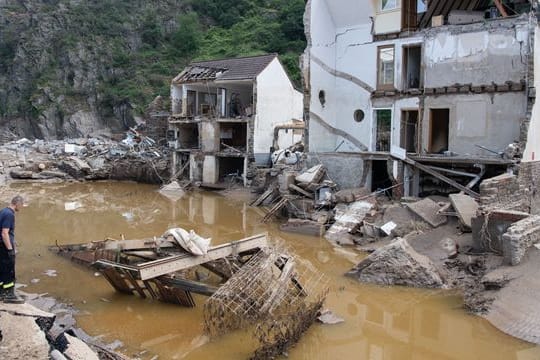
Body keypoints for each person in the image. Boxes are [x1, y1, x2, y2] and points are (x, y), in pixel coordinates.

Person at [0, 195, 25, 303]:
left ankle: (1, 291)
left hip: (1, 245)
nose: (22, 207)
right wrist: (10, 250)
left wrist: (13, 240)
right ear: (17, 204)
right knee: (9, 269)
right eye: (22, 205)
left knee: (2, 268)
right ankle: (9, 294)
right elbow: (4, 233)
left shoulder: (3, 211)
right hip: (5, 246)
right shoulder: (9, 214)